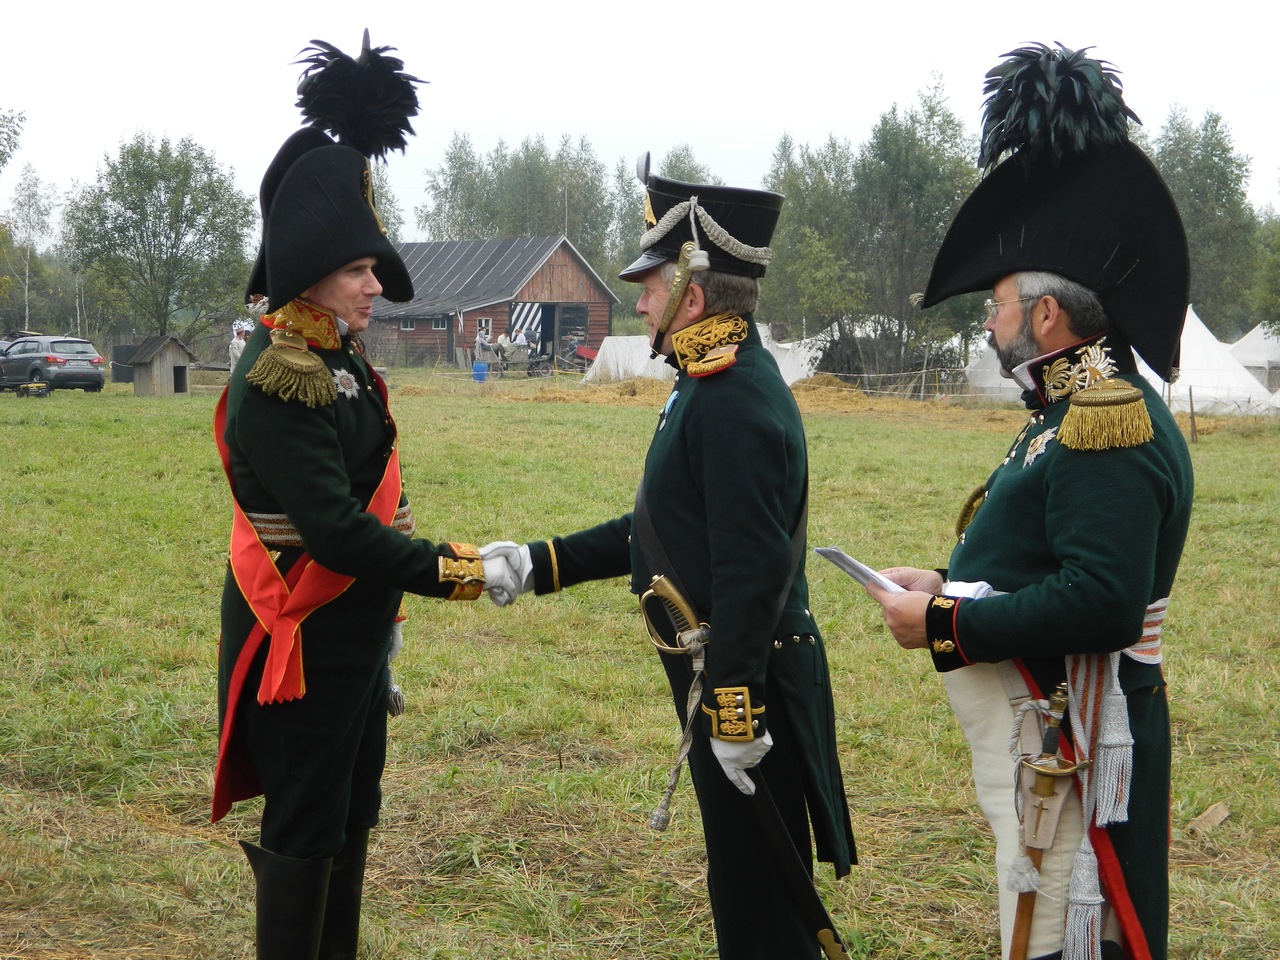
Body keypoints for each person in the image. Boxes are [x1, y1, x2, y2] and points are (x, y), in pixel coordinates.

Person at [481, 154, 855, 959]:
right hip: (730, 678)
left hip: (749, 687)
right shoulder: (706, 383)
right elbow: (662, 528)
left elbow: (752, 569)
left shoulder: (732, 397)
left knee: (763, 913)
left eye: (650, 286)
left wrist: (735, 709)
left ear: (692, 295)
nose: (639, 301)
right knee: (745, 891)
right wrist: (540, 562)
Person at [864, 44, 1193, 960]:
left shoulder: (1107, 421)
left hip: (1078, 731)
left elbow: (1102, 601)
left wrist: (946, 624)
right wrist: (950, 583)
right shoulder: (1069, 411)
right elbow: (1044, 560)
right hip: (1049, 728)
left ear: (1047, 316)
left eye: (1000, 303)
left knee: (1075, 936)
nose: (989, 320)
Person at [213, 33, 503, 960]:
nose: (378, 285)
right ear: (313, 274)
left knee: (352, 813)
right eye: (361, 271)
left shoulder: (339, 360)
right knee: (306, 824)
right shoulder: (281, 371)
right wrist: (452, 570)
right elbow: (335, 531)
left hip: (355, 635)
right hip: (302, 636)